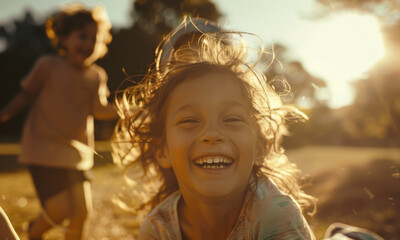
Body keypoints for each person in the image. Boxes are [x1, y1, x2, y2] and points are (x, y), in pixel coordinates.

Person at [113, 17, 317, 240]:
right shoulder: (158, 227)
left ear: (261, 145)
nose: (211, 134)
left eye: (231, 119)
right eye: (189, 120)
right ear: (162, 150)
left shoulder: (274, 216)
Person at [0, 3, 116, 239]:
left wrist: (126, 108)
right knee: (59, 209)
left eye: (94, 38)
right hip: (44, 151)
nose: (88, 43)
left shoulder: (97, 76)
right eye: (82, 36)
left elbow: (100, 109)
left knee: (82, 212)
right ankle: (35, 232)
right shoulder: (48, 66)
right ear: (63, 38)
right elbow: (26, 94)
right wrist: (4, 114)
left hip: (77, 156)